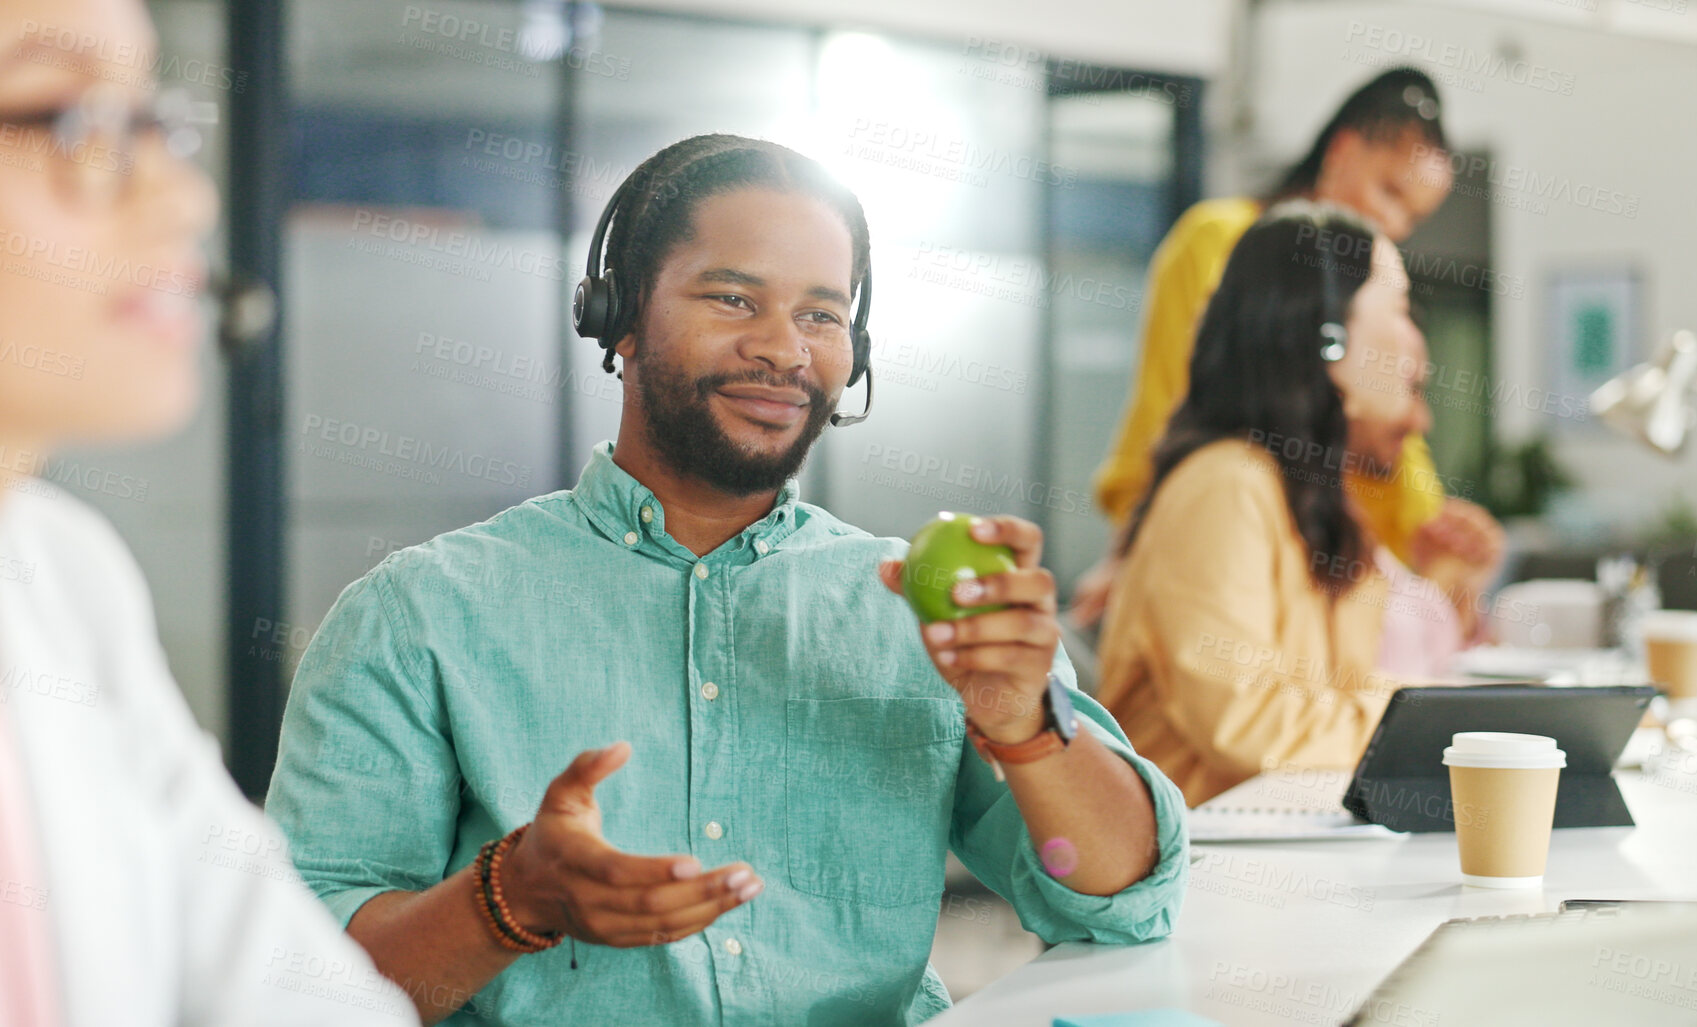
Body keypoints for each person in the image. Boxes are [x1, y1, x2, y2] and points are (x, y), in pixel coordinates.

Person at [264, 133, 1188, 1026]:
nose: (785, 350)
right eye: (734, 299)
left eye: (821, 313)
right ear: (619, 315)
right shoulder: (419, 614)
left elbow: (1118, 902)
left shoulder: (909, 606)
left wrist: (1025, 725)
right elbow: (303, 989)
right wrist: (511, 897)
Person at [0, 0, 416, 1023]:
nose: (186, 197)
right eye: (67, 117)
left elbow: (294, 991)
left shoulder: (64, 577)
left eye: (150, 116)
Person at [1094, 203, 1494, 808]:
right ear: (1328, 339)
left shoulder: (1313, 498)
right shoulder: (1225, 484)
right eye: (1402, 308)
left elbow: (1343, 692)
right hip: (1208, 875)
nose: (1420, 345)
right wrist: (1443, 726)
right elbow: (1248, 723)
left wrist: (1455, 717)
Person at [1072, 66, 1501, 626]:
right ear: (1342, 151)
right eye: (1389, 191)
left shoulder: (1368, 279)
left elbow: (1389, 428)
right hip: (1228, 554)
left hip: (1334, 570)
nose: (1392, 224)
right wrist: (1131, 552)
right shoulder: (1224, 240)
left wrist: (1435, 530)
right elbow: (1173, 404)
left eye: (1413, 217)